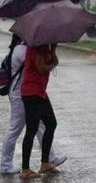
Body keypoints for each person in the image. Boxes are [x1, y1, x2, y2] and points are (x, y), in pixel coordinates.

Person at [0, 35, 66, 175]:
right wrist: (52, 60)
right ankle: (12, 166)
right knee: (21, 128)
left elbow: (45, 62)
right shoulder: (26, 48)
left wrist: (52, 48)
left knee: (46, 124)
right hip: (24, 93)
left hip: (36, 91)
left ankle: (47, 160)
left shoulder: (39, 47)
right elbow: (40, 67)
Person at [19, 43, 60, 179]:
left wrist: (53, 49)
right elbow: (41, 69)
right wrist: (53, 65)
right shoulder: (36, 47)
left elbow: (53, 61)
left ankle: (45, 163)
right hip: (31, 92)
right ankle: (25, 169)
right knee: (32, 129)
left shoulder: (45, 47)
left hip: (40, 91)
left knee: (51, 123)